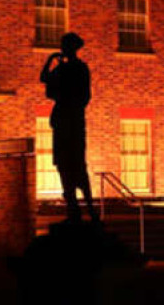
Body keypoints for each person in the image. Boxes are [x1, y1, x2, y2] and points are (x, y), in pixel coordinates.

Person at [40, 32, 98, 224]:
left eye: (65, 46)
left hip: (72, 121)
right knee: (64, 165)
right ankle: (73, 210)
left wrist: (66, 99)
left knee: (77, 164)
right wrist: (50, 60)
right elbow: (44, 78)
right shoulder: (62, 68)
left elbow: (84, 96)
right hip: (62, 121)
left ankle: (90, 208)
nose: (63, 49)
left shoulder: (80, 68)